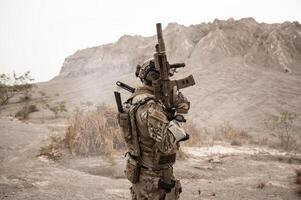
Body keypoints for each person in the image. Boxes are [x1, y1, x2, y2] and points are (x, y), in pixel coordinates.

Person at [118, 59, 191, 200]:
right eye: (165, 78)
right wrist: (179, 116)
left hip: (143, 174)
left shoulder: (135, 99)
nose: (168, 83)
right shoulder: (151, 106)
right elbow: (166, 144)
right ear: (154, 78)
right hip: (154, 179)